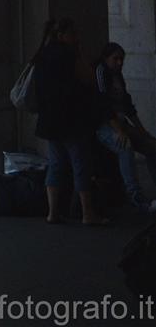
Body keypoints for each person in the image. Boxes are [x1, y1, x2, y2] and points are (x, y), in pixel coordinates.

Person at [33, 17, 107, 225]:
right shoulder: (69, 54)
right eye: (73, 34)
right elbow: (89, 78)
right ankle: (88, 213)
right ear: (62, 35)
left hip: (49, 119)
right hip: (72, 118)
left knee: (56, 164)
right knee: (80, 164)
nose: (77, 37)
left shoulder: (41, 55)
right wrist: (80, 52)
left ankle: (52, 212)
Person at [94, 41, 156, 214]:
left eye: (122, 59)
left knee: (152, 147)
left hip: (120, 122)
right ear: (106, 58)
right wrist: (121, 131)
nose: (120, 63)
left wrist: (143, 132)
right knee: (125, 146)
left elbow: (128, 105)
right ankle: (135, 195)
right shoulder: (101, 72)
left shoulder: (117, 75)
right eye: (116, 59)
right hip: (105, 125)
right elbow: (103, 105)